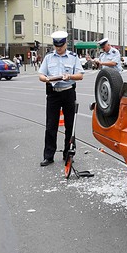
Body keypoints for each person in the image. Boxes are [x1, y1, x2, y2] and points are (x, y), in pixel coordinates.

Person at [38, 31, 84, 167]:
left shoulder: (73, 57)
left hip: (68, 92)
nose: (58, 48)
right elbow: (41, 74)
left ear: (65, 44)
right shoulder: (48, 58)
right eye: (56, 46)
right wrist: (45, 79)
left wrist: (69, 77)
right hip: (53, 93)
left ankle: (68, 154)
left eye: (61, 45)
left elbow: (80, 75)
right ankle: (48, 156)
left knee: (70, 125)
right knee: (51, 125)